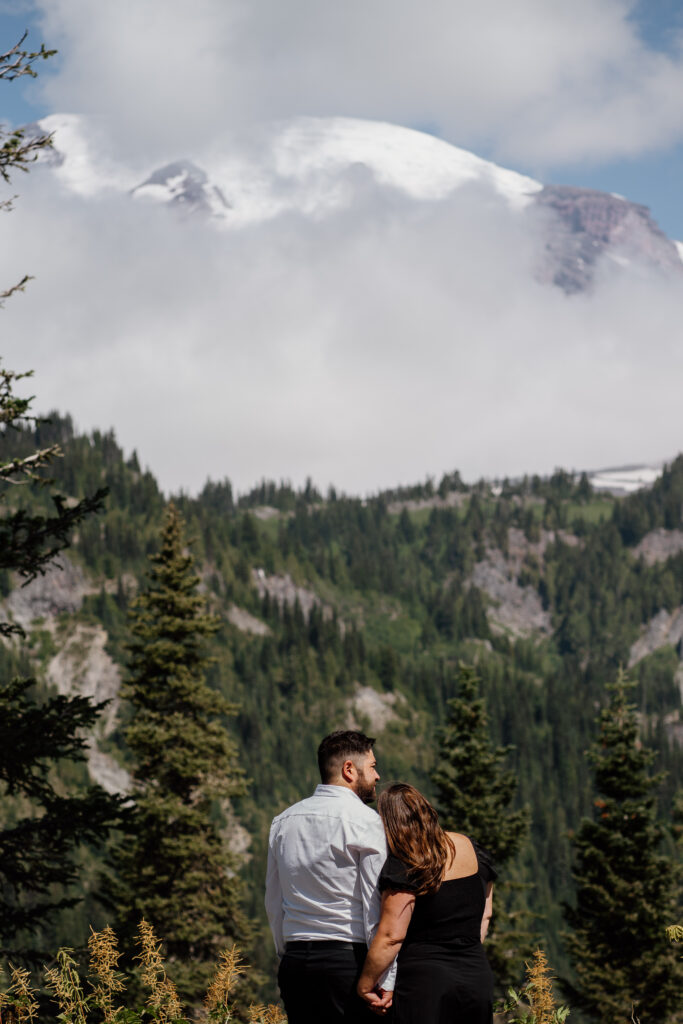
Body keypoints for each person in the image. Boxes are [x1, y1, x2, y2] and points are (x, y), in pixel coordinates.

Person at [265, 730, 396, 1023]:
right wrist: (385, 976)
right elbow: (375, 906)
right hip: (348, 961)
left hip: (296, 962)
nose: (377, 776)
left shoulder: (283, 821)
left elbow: (273, 901)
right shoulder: (366, 823)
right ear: (349, 769)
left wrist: (287, 954)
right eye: (373, 766)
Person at [357, 783, 496, 1023]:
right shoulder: (470, 847)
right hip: (476, 976)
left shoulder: (406, 863)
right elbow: (486, 914)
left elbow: (391, 936)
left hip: (424, 985)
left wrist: (365, 983)